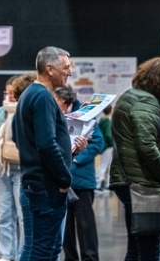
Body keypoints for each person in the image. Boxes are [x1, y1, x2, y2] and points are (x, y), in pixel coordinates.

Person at [14, 46, 87, 260]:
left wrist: (70, 152)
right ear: (49, 69)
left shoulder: (31, 94)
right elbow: (46, 144)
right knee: (43, 251)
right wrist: (64, 179)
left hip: (39, 183)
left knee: (47, 248)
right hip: (46, 186)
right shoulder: (42, 97)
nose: (70, 72)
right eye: (65, 67)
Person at [112, 57, 160, 261]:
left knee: (135, 247)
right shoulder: (145, 102)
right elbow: (146, 145)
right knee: (150, 250)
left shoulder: (131, 97)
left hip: (128, 178)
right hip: (141, 183)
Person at [0, 73, 36, 261]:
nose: (9, 96)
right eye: (7, 92)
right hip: (1, 169)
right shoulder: (1, 111)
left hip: (23, 170)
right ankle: (6, 255)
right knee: (4, 216)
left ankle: (24, 253)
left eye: (13, 92)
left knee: (24, 216)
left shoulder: (28, 111)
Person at [56, 86, 105, 261]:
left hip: (82, 179)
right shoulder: (54, 115)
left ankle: (90, 258)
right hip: (62, 180)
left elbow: (98, 142)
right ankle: (70, 258)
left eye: (59, 104)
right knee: (65, 226)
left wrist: (76, 158)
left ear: (67, 102)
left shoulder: (85, 115)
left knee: (86, 225)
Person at [95, 104, 114, 190]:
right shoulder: (107, 121)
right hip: (108, 146)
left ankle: (106, 184)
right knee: (104, 165)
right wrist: (112, 143)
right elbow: (109, 135)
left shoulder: (101, 120)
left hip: (104, 145)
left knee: (107, 165)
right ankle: (98, 184)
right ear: (111, 110)